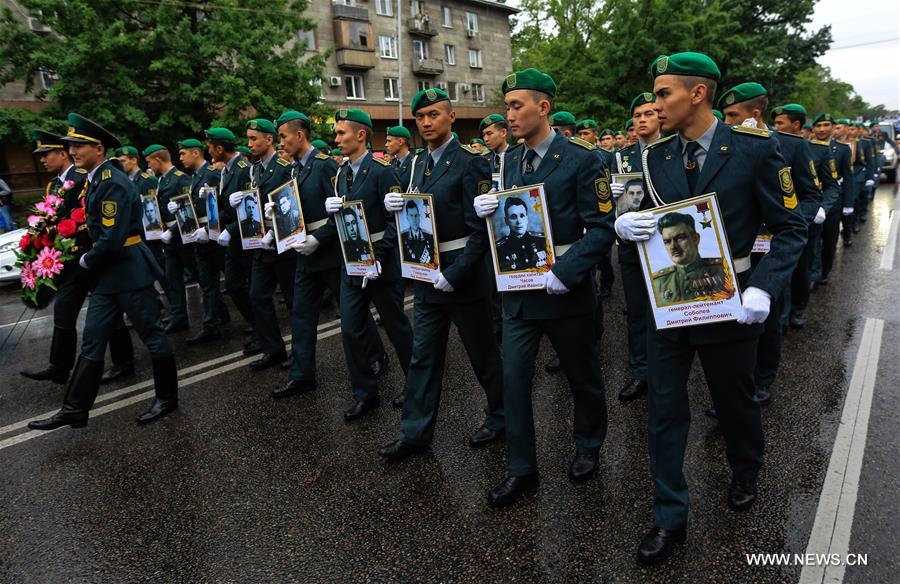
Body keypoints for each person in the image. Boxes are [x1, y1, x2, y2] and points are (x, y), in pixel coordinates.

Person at [615, 52, 806, 565]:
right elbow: (643, 217)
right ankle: (668, 514)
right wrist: (624, 225)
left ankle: (745, 469)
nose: (654, 107)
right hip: (673, 301)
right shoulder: (654, 158)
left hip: (731, 298)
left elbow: (791, 227)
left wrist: (763, 287)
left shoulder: (753, 149)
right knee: (664, 408)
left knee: (734, 400)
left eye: (663, 95)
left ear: (697, 94)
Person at [474, 68, 616, 507]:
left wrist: (567, 270)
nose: (509, 115)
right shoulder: (509, 159)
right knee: (514, 381)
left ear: (543, 107)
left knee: (582, 377)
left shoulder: (581, 157)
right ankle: (522, 469)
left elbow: (602, 227)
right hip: (520, 294)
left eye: (517, 106)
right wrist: (490, 212)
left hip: (565, 292)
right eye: (507, 107)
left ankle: (588, 445)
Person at [377, 88, 505, 461]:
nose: (427, 122)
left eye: (434, 115)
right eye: (421, 117)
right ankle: (414, 432)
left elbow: (480, 229)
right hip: (427, 276)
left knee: (483, 355)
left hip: (462, 277)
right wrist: (394, 209)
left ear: (451, 117)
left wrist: (458, 272)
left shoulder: (471, 161)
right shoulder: (416, 164)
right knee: (423, 357)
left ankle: (499, 417)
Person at [28, 113, 178, 430]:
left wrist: (85, 259)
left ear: (99, 148)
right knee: (94, 339)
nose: (72, 152)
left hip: (128, 271)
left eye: (79, 146)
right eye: (70, 146)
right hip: (108, 276)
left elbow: (111, 239)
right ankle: (74, 409)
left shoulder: (113, 182)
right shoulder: (96, 179)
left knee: (152, 334)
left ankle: (167, 398)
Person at [268, 109, 386, 401]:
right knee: (301, 315)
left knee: (352, 313)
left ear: (299, 135)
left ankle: (377, 354)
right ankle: (301, 375)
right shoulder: (294, 168)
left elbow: (343, 209)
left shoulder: (324, 166)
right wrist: (278, 218)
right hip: (304, 252)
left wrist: (319, 238)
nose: (280, 142)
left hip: (332, 251)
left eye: (283, 137)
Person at [718, 83, 822, 407]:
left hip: (774, 242)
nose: (727, 122)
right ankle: (735, 384)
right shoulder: (727, 148)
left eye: (733, 115)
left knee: (769, 313)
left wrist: (800, 217)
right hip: (739, 246)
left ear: (754, 114)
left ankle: (763, 379)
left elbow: (809, 195)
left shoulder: (790, 146)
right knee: (733, 318)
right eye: (724, 116)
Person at [20, 129, 135, 385]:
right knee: (64, 309)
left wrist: (70, 239)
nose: (42, 160)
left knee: (109, 310)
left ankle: (123, 361)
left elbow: (88, 218)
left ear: (61, 154)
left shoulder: (84, 177)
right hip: (69, 261)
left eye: (46, 154)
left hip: (89, 256)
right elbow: (49, 218)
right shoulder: (55, 184)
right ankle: (59, 366)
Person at [325, 108, 413, 421]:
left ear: (360, 135)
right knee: (350, 329)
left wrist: (380, 255)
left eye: (341, 133)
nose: (336, 140)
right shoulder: (341, 173)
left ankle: (415, 385)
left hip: (381, 263)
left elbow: (396, 220)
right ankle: (365, 393)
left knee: (396, 327)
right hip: (353, 263)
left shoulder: (381, 170)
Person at [609, 91, 662, 402]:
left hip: (664, 243)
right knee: (637, 311)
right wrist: (611, 199)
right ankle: (640, 371)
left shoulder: (673, 149)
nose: (642, 119)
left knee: (668, 308)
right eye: (637, 115)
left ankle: (666, 370)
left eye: (648, 114)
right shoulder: (621, 157)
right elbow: (601, 202)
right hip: (631, 245)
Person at [242, 118, 296, 371]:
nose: (249, 143)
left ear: (269, 140)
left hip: (283, 244)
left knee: (294, 300)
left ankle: (300, 352)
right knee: (257, 296)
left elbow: (291, 205)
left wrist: (275, 232)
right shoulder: (256, 170)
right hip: (261, 246)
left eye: (254, 138)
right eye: (249, 138)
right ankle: (273, 349)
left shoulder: (284, 166)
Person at [208, 127, 258, 356]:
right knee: (234, 285)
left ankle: (261, 330)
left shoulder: (242, 170)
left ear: (219, 148)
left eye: (210, 146)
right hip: (233, 240)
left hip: (245, 237)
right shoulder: (226, 171)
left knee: (249, 287)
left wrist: (229, 229)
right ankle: (257, 325)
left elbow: (251, 209)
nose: (208, 150)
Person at [144, 143, 193, 334]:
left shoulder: (180, 179)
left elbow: (189, 210)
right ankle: (180, 317)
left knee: (199, 276)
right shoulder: (161, 181)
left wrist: (172, 230)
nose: (148, 165)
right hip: (170, 241)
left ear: (157, 160)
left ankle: (219, 313)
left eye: (149, 161)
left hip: (184, 237)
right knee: (172, 279)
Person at [810, 114, 855, 283]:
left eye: (826, 125)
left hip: (834, 202)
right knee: (813, 241)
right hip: (813, 199)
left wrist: (848, 204)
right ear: (813, 129)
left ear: (833, 127)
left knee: (829, 240)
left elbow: (848, 177)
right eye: (818, 125)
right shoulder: (806, 147)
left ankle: (824, 270)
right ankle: (814, 273)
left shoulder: (842, 149)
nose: (822, 129)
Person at [650, 212, 727, 306]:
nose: (673, 246)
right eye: (667, 241)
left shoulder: (723, 270)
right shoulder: (659, 282)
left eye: (680, 238)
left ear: (695, 239)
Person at [495, 197, 548, 271]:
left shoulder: (543, 241)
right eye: (513, 217)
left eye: (522, 216)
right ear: (506, 221)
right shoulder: (499, 249)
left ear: (527, 218)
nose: (519, 221)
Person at [400, 199, 435, 264]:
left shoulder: (429, 237)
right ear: (407, 217)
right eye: (411, 216)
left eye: (416, 215)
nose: (414, 219)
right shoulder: (402, 237)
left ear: (419, 216)